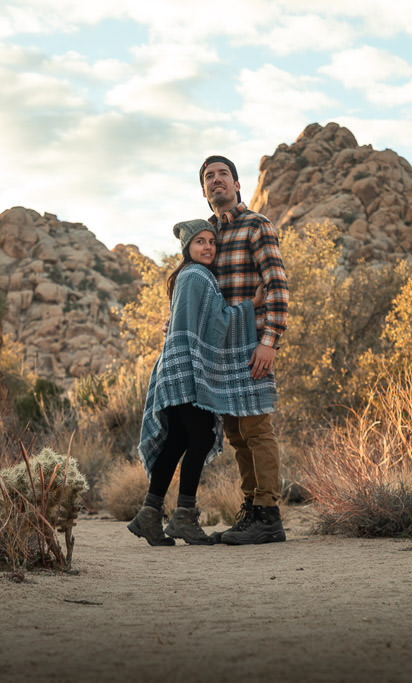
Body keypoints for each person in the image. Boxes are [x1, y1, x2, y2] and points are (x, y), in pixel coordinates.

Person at [129, 219, 277, 546]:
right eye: (200, 242)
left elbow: (197, 322)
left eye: (212, 241)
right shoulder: (196, 276)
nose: (208, 246)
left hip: (179, 366)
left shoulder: (191, 277)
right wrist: (251, 306)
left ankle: (149, 515)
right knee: (200, 436)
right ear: (188, 249)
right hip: (188, 370)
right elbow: (213, 327)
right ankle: (183, 516)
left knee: (178, 440)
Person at [199, 155, 289, 545]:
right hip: (222, 349)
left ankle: (269, 515)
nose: (216, 180)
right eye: (209, 177)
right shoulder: (208, 238)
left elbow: (277, 286)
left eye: (223, 175)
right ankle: (251, 511)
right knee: (236, 433)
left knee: (257, 428)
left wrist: (269, 341)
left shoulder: (258, 225)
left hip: (253, 345)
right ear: (204, 191)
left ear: (237, 185)